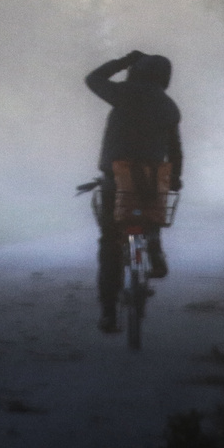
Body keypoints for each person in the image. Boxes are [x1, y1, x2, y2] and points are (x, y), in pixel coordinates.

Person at [85, 49, 182, 333]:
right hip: (152, 180)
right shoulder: (168, 107)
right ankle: (152, 242)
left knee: (110, 242)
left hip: (116, 178)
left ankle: (108, 313)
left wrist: (125, 59)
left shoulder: (123, 94)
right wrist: (175, 178)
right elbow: (175, 151)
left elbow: (93, 78)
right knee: (150, 211)